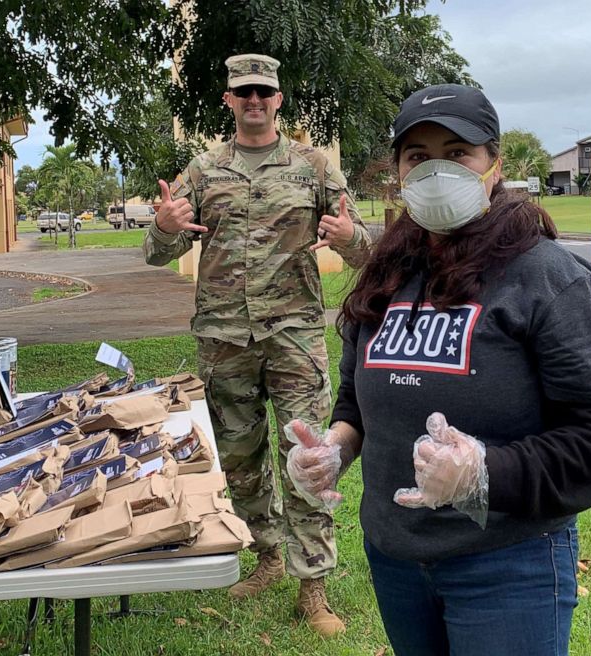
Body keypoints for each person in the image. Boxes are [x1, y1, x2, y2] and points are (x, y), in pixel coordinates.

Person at [284, 83, 591, 655]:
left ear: (494, 166)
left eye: (457, 153)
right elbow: (356, 398)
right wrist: (336, 448)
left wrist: (485, 472)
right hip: (396, 559)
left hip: (507, 565)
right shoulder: (387, 273)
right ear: (399, 172)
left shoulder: (548, 278)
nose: (436, 170)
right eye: (418, 157)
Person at [143, 53, 372, 637]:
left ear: (278, 99)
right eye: (243, 91)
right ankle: (268, 555)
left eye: (263, 92)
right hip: (224, 340)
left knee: (309, 456)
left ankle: (313, 585)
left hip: (293, 336)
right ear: (228, 99)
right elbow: (156, 252)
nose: (254, 101)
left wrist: (350, 237)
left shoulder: (314, 167)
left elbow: (367, 248)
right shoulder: (202, 170)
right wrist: (165, 228)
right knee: (241, 461)